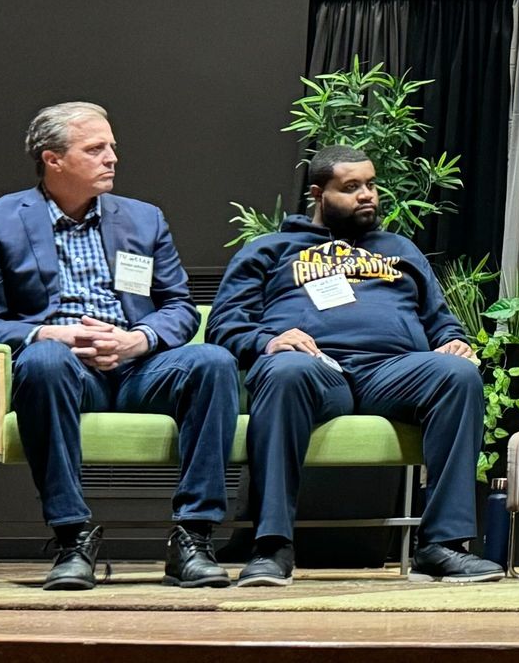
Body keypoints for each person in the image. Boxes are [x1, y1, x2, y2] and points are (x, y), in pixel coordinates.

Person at [0, 102, 239, 591]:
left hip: (138, 370)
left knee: (214, 360)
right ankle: (72, 538)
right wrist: (54, 334)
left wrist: (138, 339)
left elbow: (178, 307)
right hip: (65, 371)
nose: (112, 158)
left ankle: (192, 538)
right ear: (53, 159)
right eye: (95, 148)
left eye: (112, 147)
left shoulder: (144, 218)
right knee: (43, 360)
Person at [209, 145, 503, 587]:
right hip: (314, 367)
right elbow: (225, 324)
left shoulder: (399, 249)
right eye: (351, 188)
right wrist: (268, 341)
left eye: (370, 184)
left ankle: (441, 546)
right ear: (318, 193)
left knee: (457, 375)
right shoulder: (271, 250)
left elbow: (441, 320)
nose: (367, 195)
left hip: (393, 370)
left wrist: (454, 343)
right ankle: (272, 546)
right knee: (284, 370)